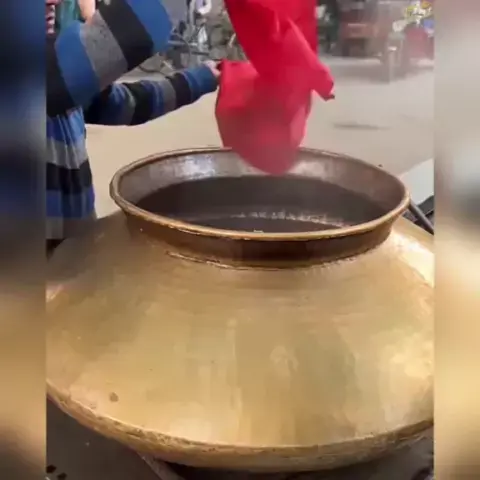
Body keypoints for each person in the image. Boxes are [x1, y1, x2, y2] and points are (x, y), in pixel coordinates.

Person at [47, 0, 221, 254]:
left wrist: (203, 77)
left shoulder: (57, 78)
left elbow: (126, 104)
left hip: (71, 260)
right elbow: (123, 36)